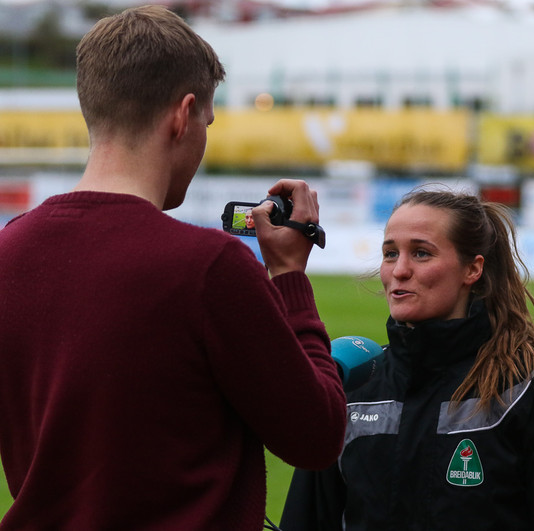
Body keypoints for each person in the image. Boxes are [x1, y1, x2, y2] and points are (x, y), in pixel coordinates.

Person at [0, 6, 346, 530]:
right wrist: (290, 277)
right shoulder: (209, 266)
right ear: (183, 115)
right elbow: (316, 436)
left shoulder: (9, 251)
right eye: (207, 121)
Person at [280, 188, 534, 530]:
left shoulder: (531, 387)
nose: (400, 270)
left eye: (421, 253)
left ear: (472, 269)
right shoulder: (355, 381)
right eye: (390, 254)